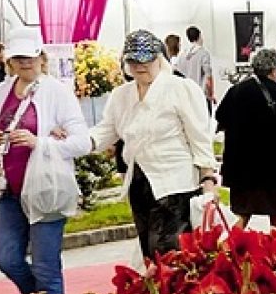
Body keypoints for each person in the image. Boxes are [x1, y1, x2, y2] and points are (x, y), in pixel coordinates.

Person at [0, 29, 90, 294]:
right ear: (10, 62)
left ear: (41, 57)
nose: (25, 63)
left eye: (30, 57)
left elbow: (82, 143)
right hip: (10, 189)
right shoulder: (2, 90)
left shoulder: (57, 92)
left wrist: (38, 142)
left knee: (45, 265)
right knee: (6, 258)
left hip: (46, 188)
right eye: (18, 58)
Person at [90, 30, 218, 264]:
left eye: (146, 59)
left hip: (175, 184)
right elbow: (105, 131)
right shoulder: (121, 95)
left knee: (171, 256)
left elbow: (199, 136)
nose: (140, 66)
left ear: (159, 58)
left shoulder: (181, 88)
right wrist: (68, 143)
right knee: (149, 255)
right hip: (139, 183)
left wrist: (208, 179)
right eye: (133, 60)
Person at [217, 49, 276, 231]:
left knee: (242, 212)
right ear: (273, 70)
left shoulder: (236, 91)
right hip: (274, 166)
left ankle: (231, 250)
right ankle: (275, 250)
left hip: (241, 164)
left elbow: (220, 116)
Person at [177, 26, 216, 112]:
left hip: (186, 96)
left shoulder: (182, 55)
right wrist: (211, 94)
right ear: (199, 36)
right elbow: (208, 77)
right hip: (201, 96)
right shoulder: (203, 53)